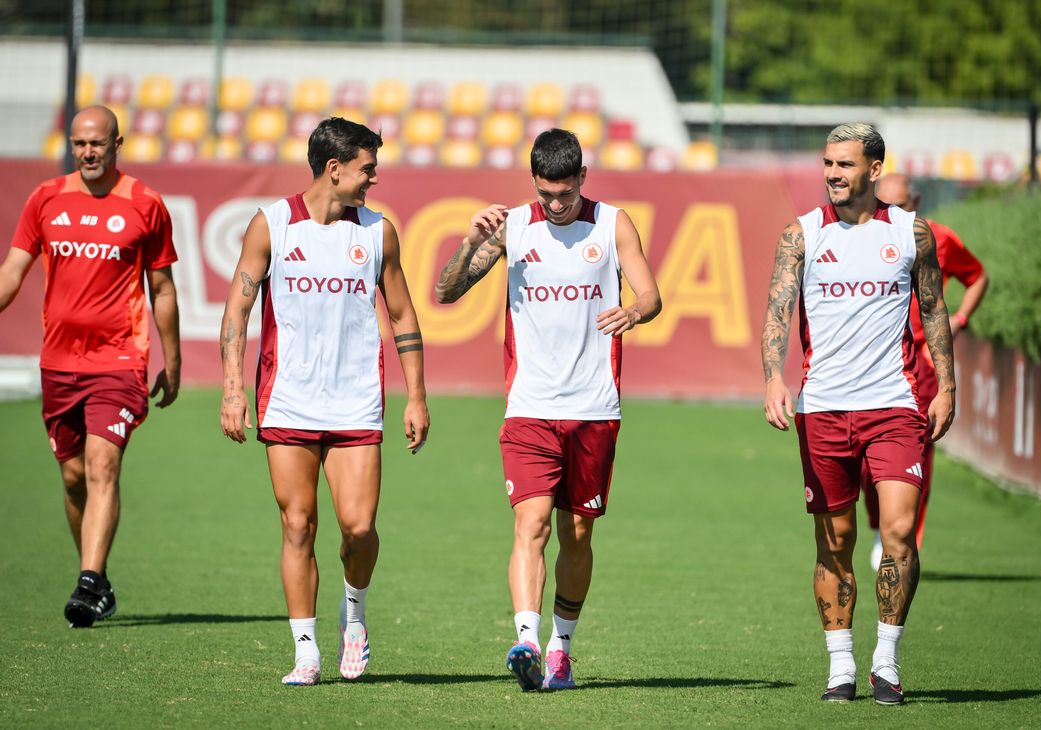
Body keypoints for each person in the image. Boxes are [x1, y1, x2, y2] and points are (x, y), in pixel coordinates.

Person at [435, 128, 661, 692]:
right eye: (544, 194)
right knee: (530, 523)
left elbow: (652, 296)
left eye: (564, 193)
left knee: (578, 533)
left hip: (594, 407)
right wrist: (469, 242)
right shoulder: (512, 226)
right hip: (529, 406)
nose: (555, 204)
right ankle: (527, 640)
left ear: (582, 178)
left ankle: (561, 648)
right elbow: (446, 291)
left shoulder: (613, 224)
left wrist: (632, 314)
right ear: (533, 184)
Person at [219, 117, 429, 686]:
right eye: (367, 169)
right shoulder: (272, 225)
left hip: (356, 403)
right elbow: (237, 309)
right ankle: (306, 650)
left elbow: (404, 315)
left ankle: (353, 615)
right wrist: (234, 389)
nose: (374, 179)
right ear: (334, 169)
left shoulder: (377, 232)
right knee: (298, 526)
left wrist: (416, 397)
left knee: (359, 528)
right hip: (287, 402)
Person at [761, 124, 955, 705]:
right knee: (835, 540)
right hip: (822, 408)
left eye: (845, 164)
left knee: (897, 532)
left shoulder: (910, 233)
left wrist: (946, 385)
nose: (833, 174)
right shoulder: (801, 235)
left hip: (895, 406)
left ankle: (887, 662)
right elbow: (777, 311)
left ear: (874, 170)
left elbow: (934, 307)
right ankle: (840, 667)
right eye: (827, 163)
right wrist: (773, 377)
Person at [0, 105, 181, 628]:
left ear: (116, 143)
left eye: (97, 143)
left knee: (103, 465)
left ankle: (88, 580)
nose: (88, 152)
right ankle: (97, 578)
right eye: (79, 144)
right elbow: (13, 270)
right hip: (58, 363)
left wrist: (173, 358)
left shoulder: (145, 204)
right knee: (74, 476)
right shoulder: (46, 199)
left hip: (119, 361)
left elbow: (162, 289)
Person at [862, 173, 989, 568]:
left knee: (917, 453)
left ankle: (903, 538)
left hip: (922, 363)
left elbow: (977, 276)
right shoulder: (859, 239)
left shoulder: (937, 237)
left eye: (902, 206)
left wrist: (961, 319)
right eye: (886, 205)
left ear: (915, 201)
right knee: (864, 459)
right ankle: (881, 524)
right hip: (872, 361)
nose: (894, 213)